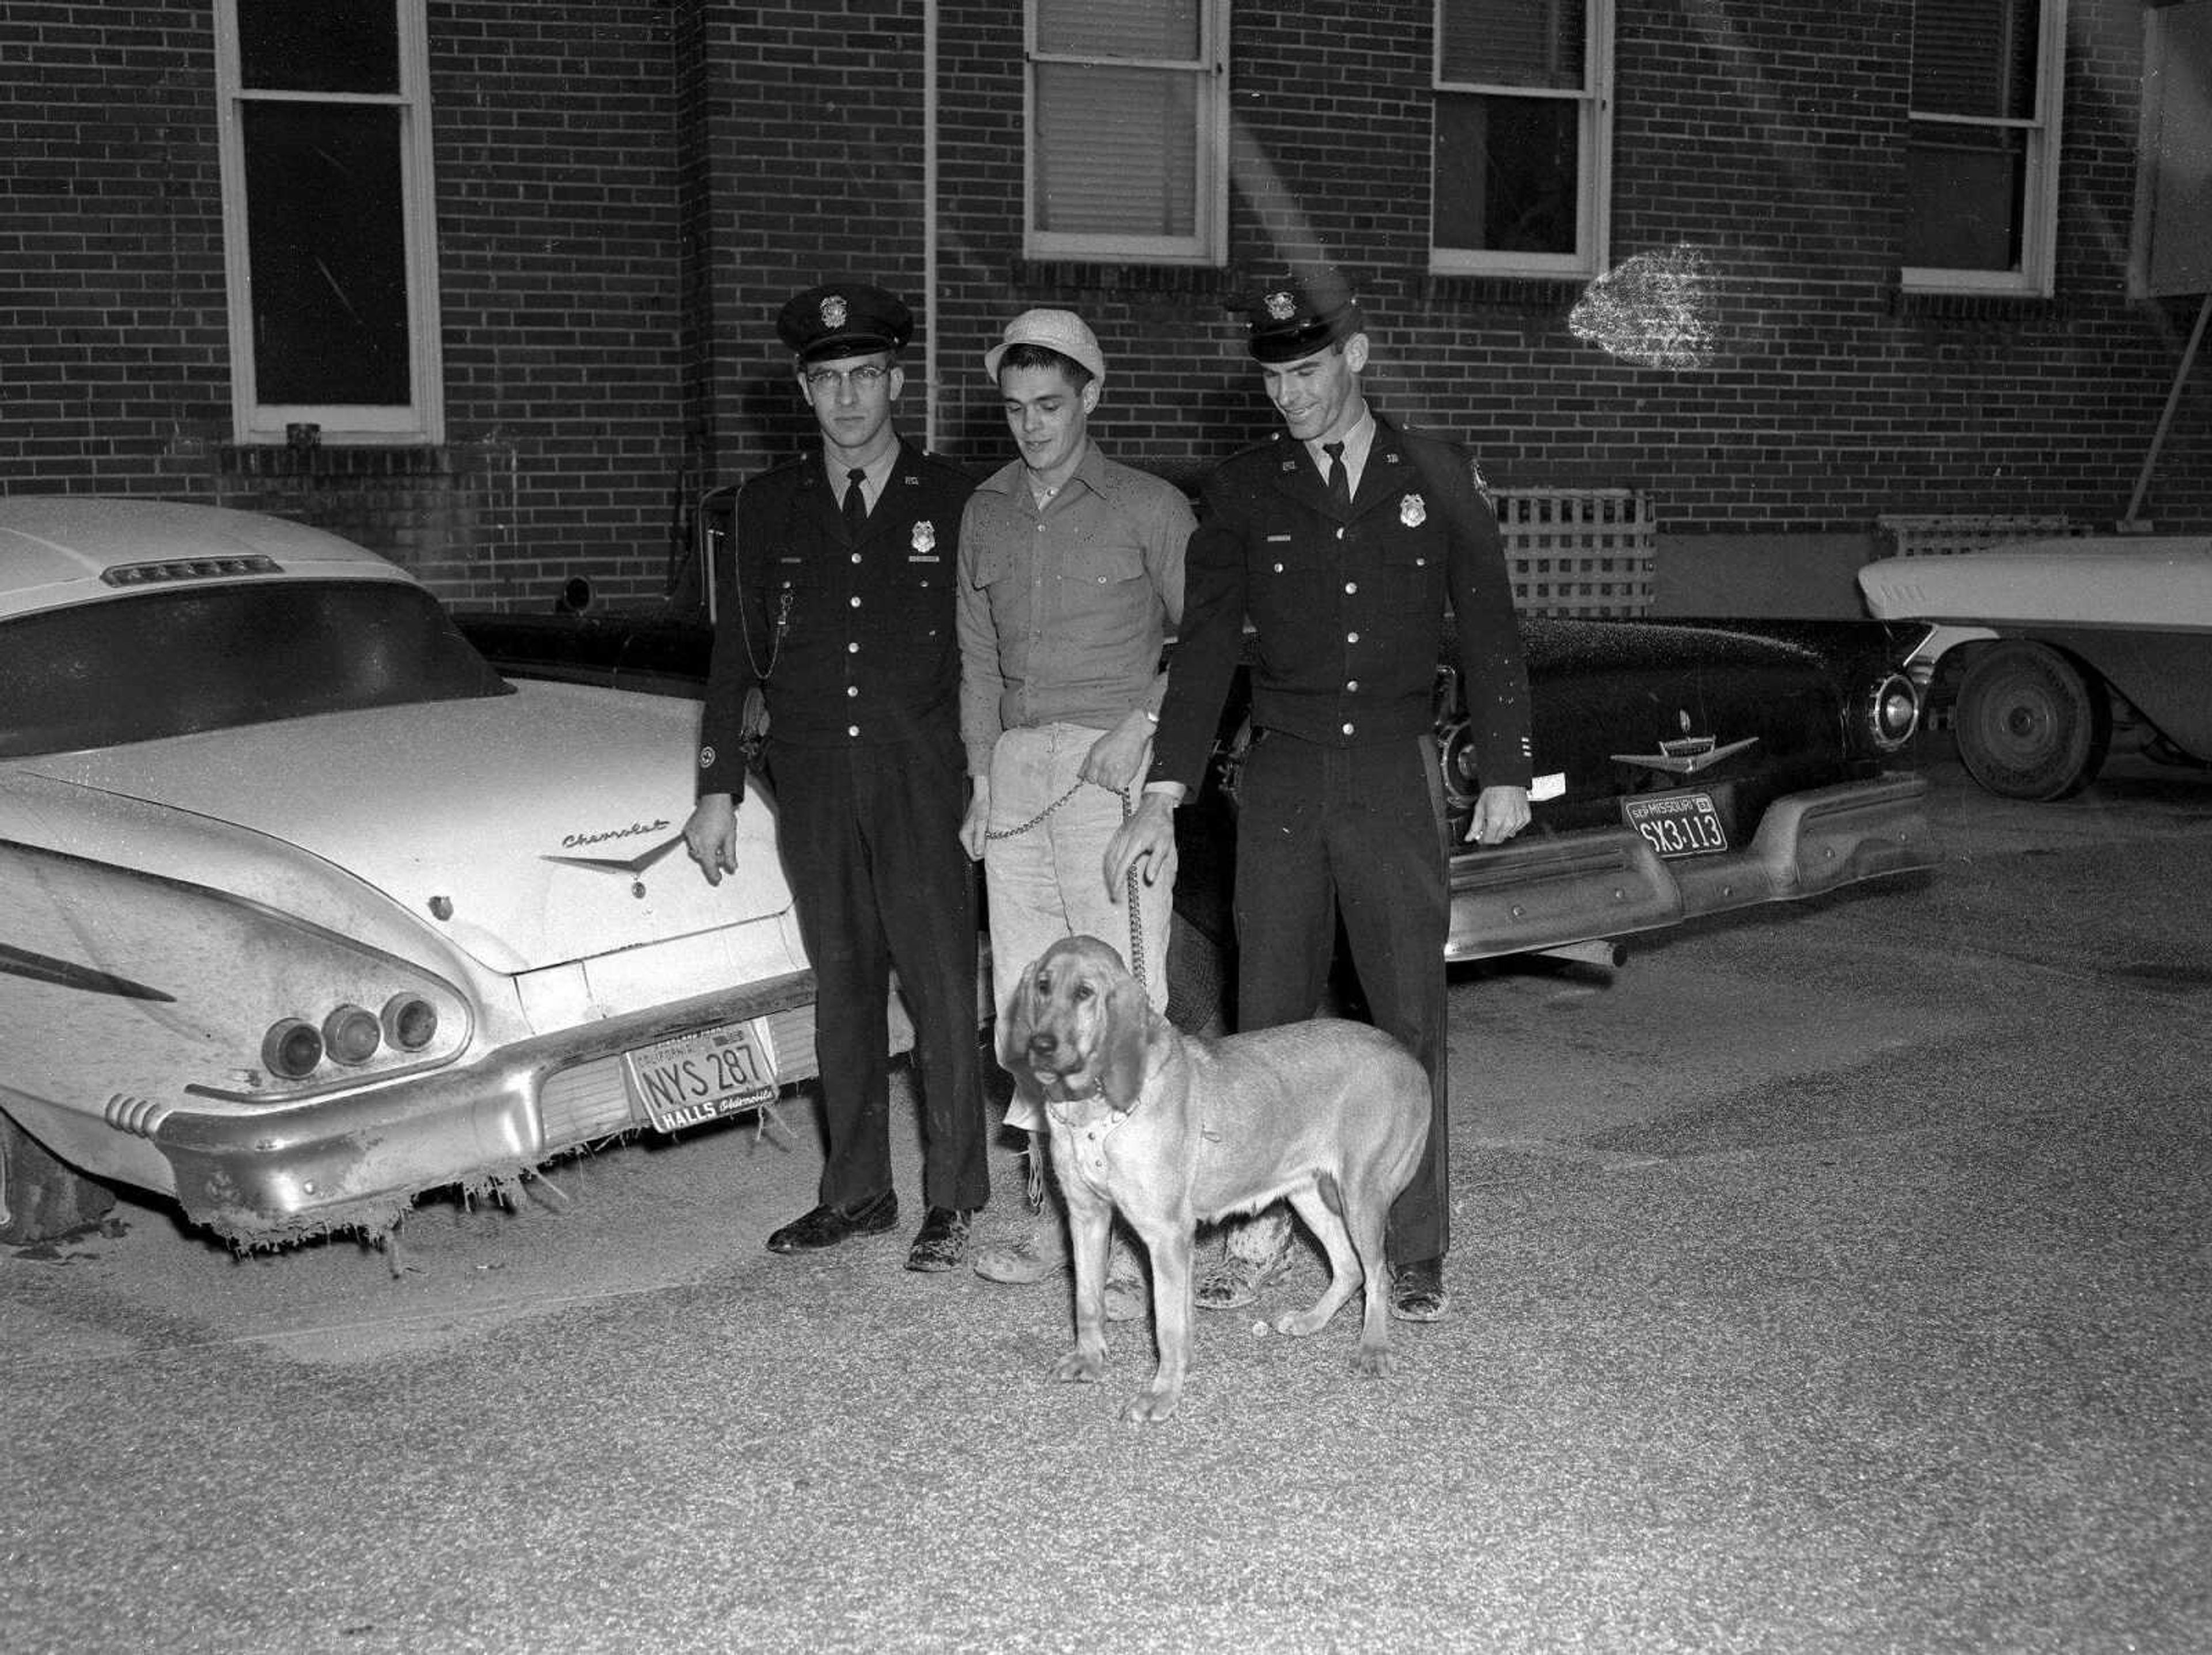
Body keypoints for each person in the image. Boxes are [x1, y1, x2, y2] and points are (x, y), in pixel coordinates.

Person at [1105, 272, 1533, 1323]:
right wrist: (1165, 788)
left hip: (1393, 768)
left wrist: (1510, 768)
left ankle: (1417, 1246)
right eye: (1273, 376)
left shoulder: (1438, 471)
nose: (1287, 396)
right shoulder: (1245, 487)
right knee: (1269, 1022)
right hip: (1287, 772)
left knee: (1406, 1013)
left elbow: (1489, 628)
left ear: (1358, 356)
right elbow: (1205, 647)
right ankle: (1265, 1220)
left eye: (1305, 372)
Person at [683, 281, 989, 1273]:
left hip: (922, 779)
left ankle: (952, 1197)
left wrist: (988, 772)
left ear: (897, 381)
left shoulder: (955, 498)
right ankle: (856, 1191)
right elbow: (738, 651)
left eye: (865, 375)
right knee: (843, 986)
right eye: (827, 380)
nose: (848, 397)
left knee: (942, 988)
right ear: (803, 392)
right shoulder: (768, 505)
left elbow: (990, 652)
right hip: (814, 781)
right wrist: (718, 785)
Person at [955, 308, 1193, 1315]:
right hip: (1015, 775)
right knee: (1032, 1000)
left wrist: (1145, 722)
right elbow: (973, 657)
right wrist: (977, 778)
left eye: (1051, 406)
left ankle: (1151, 1241)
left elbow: (1209, 639)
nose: (1032, 427)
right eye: (1015, 410)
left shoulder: (1151, 507)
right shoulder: (985, 511)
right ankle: (1064, 1227)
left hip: (1110, 774)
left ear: (1092, 396)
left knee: (1121, 1001)